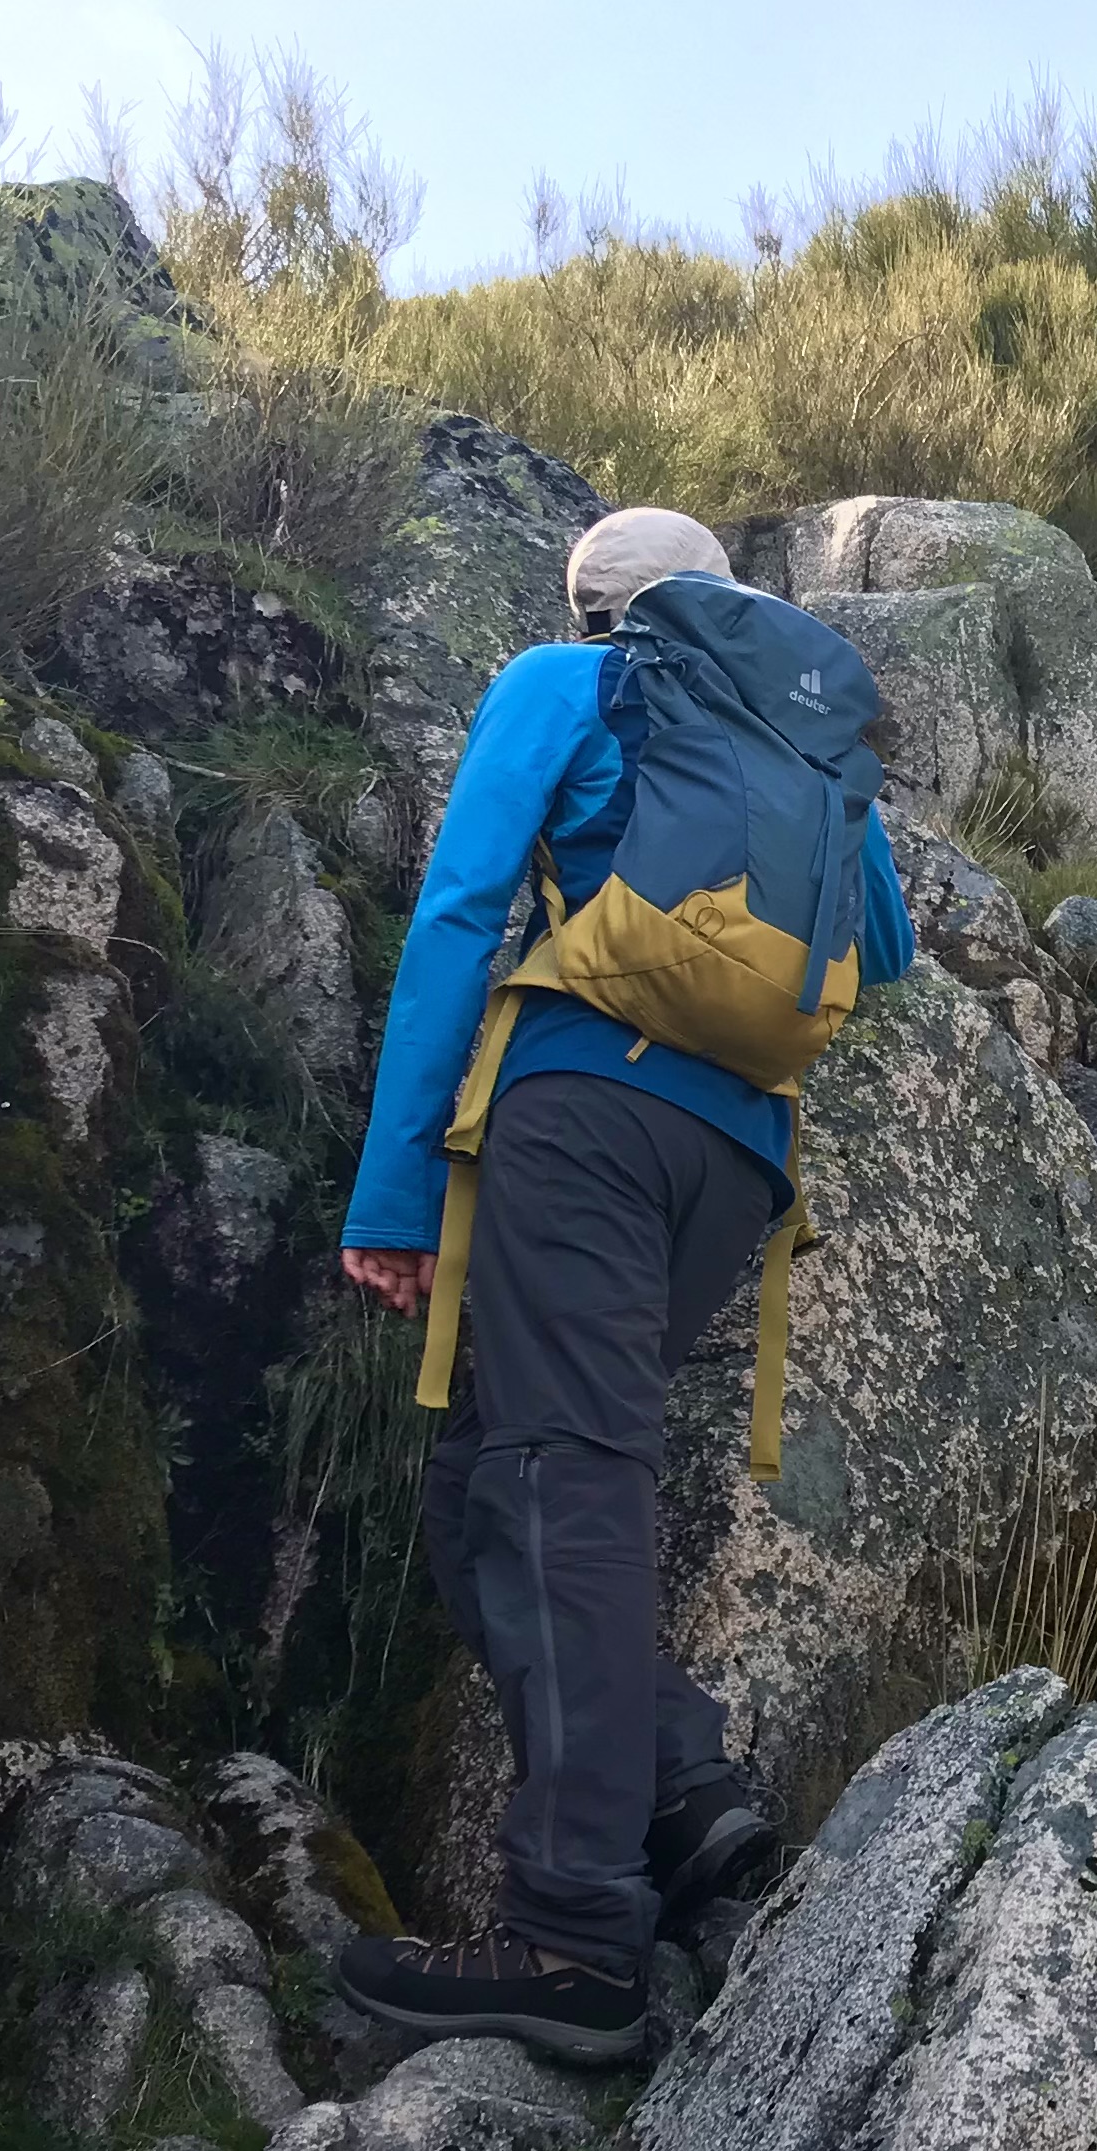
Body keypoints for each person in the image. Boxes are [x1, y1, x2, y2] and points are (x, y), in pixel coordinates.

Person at [329, 506, 915, 2061]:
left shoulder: (566, 681)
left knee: (559, 1472)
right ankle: (685, 1792)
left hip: (583, 1114)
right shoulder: (791, 731)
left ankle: (575, 1937)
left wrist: (393, 1191)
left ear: (596, 609)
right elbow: (893, 946)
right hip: (732, 1166)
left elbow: (459, 913)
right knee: (487, 1493)